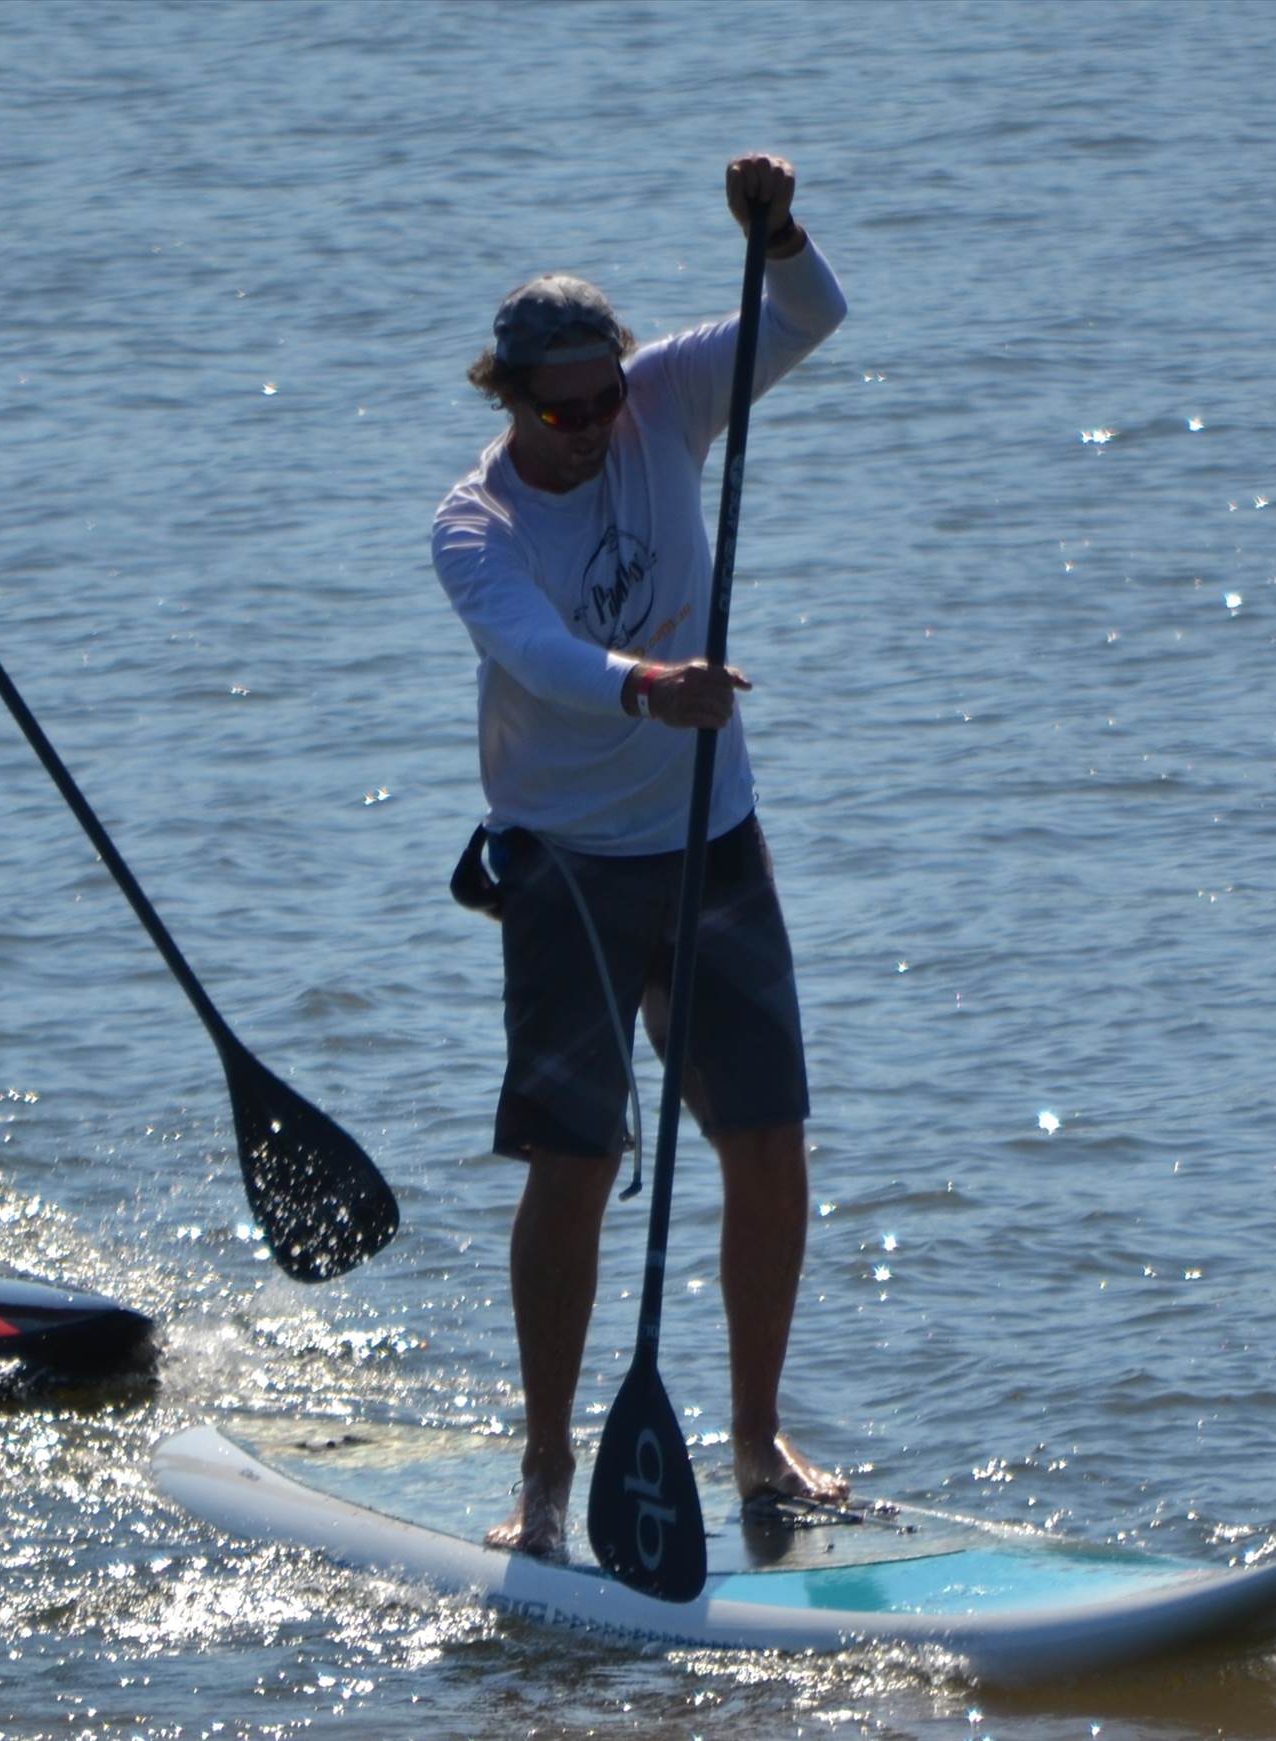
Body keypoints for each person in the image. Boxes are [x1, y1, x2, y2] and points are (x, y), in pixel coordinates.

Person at [431, 153, 850, 1557]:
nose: (596, 426)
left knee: (766, 1139)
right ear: (508, 398)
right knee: (576, 1161)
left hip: (707, 836)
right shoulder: (473, 524)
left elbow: (805, 314)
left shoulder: (662, 401)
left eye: (607, 396)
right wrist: (646, 685)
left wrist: (772, 231)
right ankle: (546, 1474)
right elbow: (537, 657)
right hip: (559, 861)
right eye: (564, 409)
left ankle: (753, 1440)